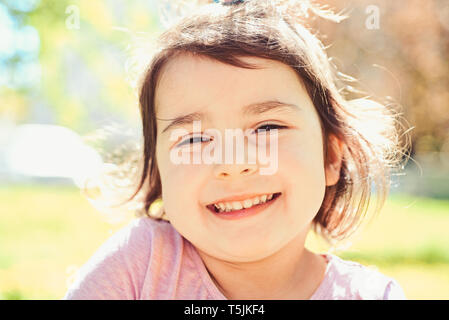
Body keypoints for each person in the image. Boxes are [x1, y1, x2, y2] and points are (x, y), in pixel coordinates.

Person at [64, 0, 409, 300]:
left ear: (331, 157)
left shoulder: (372, 295)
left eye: (268, 128)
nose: (232, 163)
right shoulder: (137, 268)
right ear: (159, 172)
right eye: (195, 140)